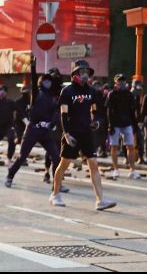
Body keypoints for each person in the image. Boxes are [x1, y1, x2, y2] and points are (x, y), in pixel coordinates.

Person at [50, 60, 115, 211]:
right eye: (81, 72)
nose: (85, 75)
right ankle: (55, 194)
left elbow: (95, 111)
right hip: (72, 133)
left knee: (93, 163)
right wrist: (66, 134)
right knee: (64, 164)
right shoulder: (67, 92)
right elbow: (63, 115)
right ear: (74, 74)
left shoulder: (92, 91)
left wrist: (96, 122)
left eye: (87, 72)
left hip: (86, 133)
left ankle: (100, 200)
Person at [6, 74, 60, 188]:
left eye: (49, 82)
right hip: (32, 130)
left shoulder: (52, 98)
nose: (48, 84)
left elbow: (56, 112)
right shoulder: (35, 94)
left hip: (45, 131)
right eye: (45, 81)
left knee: (56, 157)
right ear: (40, 83)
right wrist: (33, 66)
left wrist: (52, 123)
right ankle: (10, 175)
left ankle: (57, 184)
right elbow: (34, 81)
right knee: (22, 157)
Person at [106, 74, 141, 179]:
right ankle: (116, 169)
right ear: (115, 83)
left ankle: (132, 170)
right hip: (115, 124)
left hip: (127, 123)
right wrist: (110, 125)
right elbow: (109, 112)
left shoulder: (129, 95)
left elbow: (132, 111)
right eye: (119, 81)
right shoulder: (112, 95)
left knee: (130, 146)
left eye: (123, 81)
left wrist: (135, 125)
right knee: (114, 146)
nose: (121, 84)